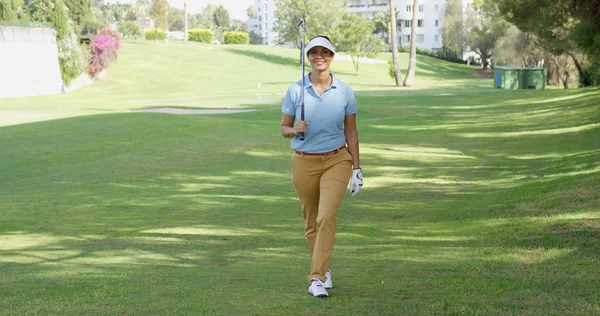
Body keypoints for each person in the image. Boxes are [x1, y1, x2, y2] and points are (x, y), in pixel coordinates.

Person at [280, 35, 363, 298]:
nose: (319, 56)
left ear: (332, 57)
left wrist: (357, 168)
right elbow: (284, 128)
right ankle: (324, 268)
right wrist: (294, 129)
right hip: (304, 161)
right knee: (311, 221)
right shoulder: (295, 90)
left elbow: (351, 131)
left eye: (324, 52)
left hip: (337, 159)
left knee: (326, 216)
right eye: (313, 52)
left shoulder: (345, 91)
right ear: (308, 58)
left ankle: (316, 278)